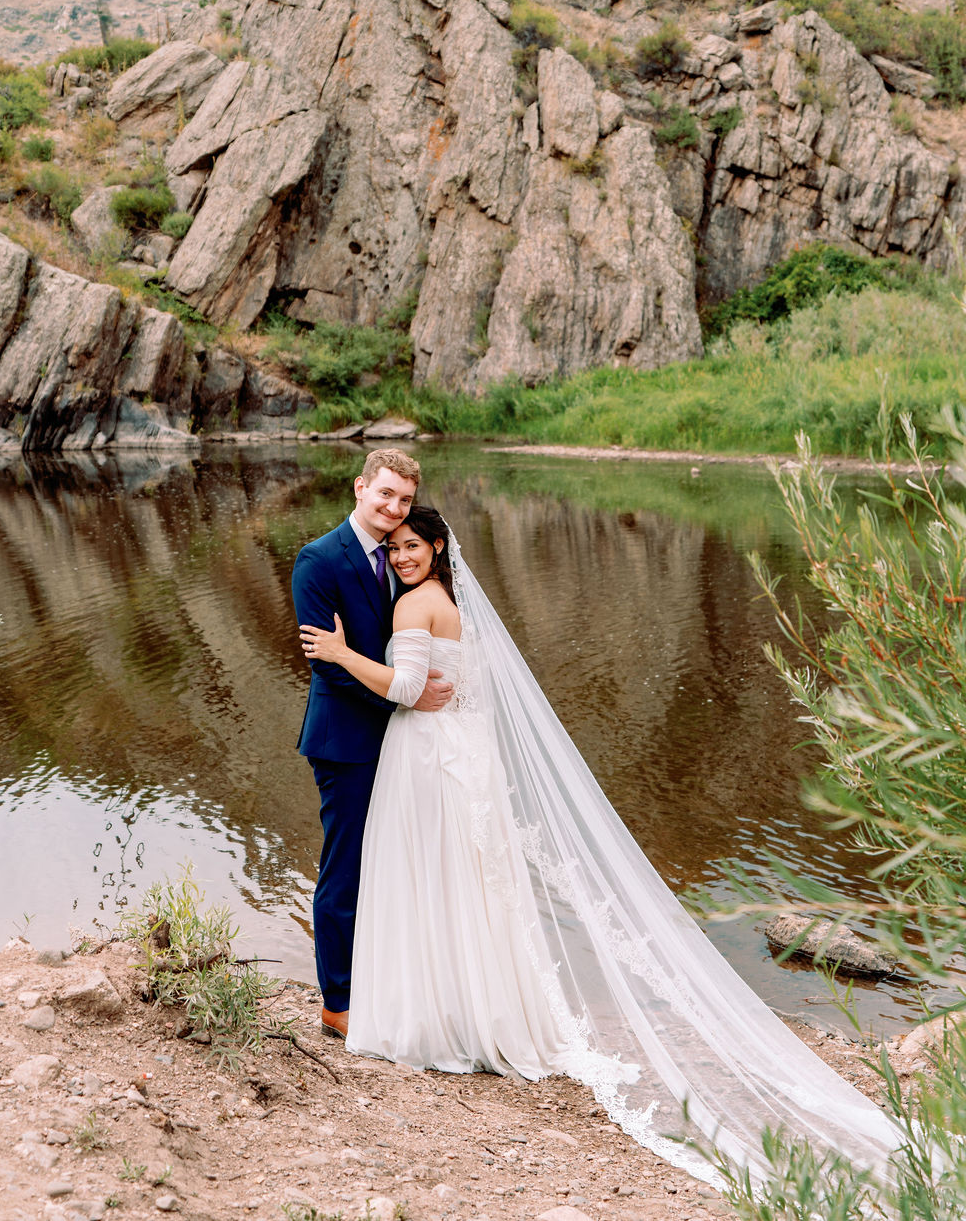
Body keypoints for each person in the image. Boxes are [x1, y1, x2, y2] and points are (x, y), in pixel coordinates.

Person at [299, 505, 904, 1190]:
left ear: (438, 546)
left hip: (433, 762)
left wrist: (344, 653)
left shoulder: (416, 605)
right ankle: (473, 1011)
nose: (403, 555)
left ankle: (440, 1021)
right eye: (397, 546)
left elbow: (408, 689)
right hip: (463, 756)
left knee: (437, 880)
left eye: (414, 544)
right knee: (467, 884)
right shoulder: (454, 600)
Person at [291, 451, 452, 1040]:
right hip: (347, 741)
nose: (393, 507)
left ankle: (385, 982)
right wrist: (406, 700)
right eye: (384, 494)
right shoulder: (319, 559)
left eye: (404, 499)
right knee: (346, 870)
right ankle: (337, 1003)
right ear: (360, 488)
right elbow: (327, 664)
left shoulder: (402, 556)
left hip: (403, 739)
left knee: (394, 864)